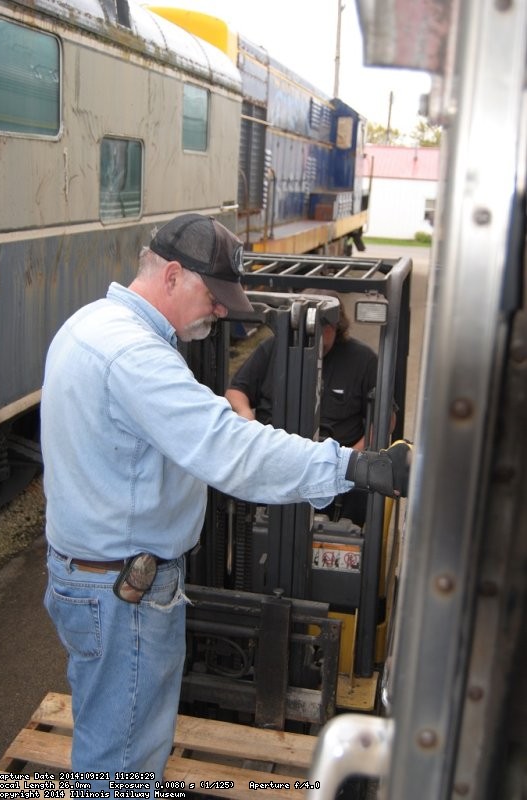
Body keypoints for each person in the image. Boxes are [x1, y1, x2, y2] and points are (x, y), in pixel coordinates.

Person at [41, 213, 410, 784]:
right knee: (121, 768)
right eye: (212, 295)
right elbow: (230, 449)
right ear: (170, 275)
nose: (219, 311)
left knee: (107, 744)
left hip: (91, 579)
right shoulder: (136, 357)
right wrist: (353, 465)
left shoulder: (90, 324)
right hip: (123, 599)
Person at [226, 291, 395, 524]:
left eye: (324, 329)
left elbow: (387, 417)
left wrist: (356, 457)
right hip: (275, 460)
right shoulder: (272, 348)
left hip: (336, 468)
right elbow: (236, 392)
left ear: (337, 327)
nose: (317, 336)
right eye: (311, 328)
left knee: (362, 492)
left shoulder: (363, 360)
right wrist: (247, 417)